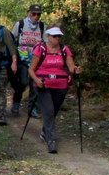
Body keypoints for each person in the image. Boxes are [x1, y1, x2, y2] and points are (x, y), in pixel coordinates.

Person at [29, 26, 82, 154]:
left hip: (61, 85)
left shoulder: (64, 49)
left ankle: (45, 131)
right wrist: (37, 80)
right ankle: (51, 140)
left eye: (59, 36)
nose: (57, 39)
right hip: (44, 85)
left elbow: (70, 67)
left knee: (53, 111)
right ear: (48, 36)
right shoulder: (40, 49)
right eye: (54, 36)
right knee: (49, 110)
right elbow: (31, 69)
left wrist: (76, 69)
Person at [11, 4, 45, 118]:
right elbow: (12, 39)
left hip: (36, 59)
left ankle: (32, 108)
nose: (35, 16)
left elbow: (45, 42)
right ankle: (16, 103)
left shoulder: (42, 26)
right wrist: (14, 59)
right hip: (22, 59)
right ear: (29, 13)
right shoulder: (20, 24)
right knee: (22, 82)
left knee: (34, 84)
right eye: (33, 14)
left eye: (38, 14)